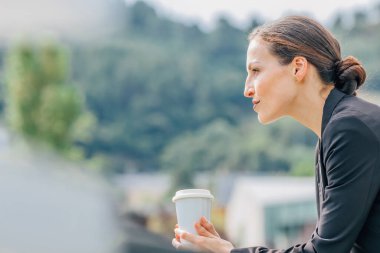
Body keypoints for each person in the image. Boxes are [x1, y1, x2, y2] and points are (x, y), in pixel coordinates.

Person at [172, 15, 380, 253]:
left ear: (298, 68)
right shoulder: (336, 132)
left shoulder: (349, 129)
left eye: (256, 70)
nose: (247, 89)